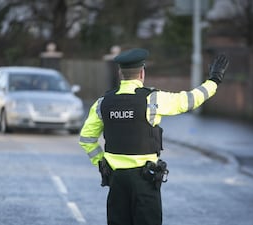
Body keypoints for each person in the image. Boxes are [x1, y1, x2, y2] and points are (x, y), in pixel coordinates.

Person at [79, 48, 229, 225]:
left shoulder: (102, 103)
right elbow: (190, 100)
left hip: (116, 180)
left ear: (120, 73)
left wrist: (101, 163)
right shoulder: (153, 99)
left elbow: (86, 139)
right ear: (142, 73)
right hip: (145, 181)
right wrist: (214, 80)